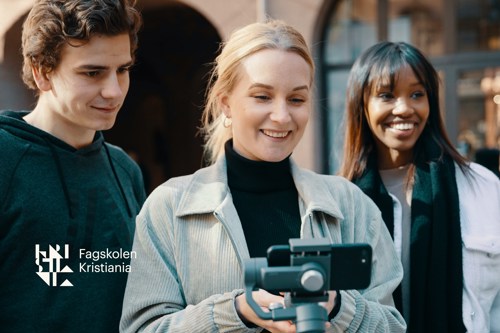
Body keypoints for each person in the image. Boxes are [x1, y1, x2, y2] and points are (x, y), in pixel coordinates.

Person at [120, 20, 406, 333]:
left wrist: (337, 307)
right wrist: (236, 311)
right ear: (225, 104)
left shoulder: (350, 205)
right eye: (262, 96)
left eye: (296, 99)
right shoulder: (168, 208)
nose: (282, 116)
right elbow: (142, 329)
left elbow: (392, 326)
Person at [0, 1, 145, 332]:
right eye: (92, 72)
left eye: (122, 70)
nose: (113, 91)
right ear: (42, 72)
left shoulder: (126, 170)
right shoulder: (5, 158)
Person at [338, 41, 500, 333]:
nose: (404, 108)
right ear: (361, 104)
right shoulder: (339, 202)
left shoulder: (483, 188)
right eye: (386, 95)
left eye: (417, 94)